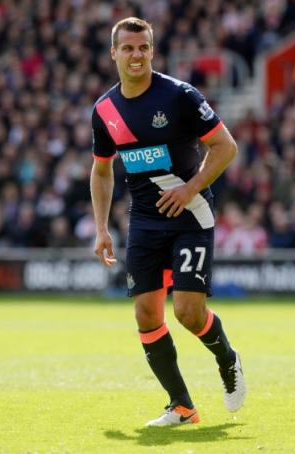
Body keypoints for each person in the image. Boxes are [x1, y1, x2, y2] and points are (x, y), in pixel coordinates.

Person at [90, 17, 246, 427]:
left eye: (142, 48)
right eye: (127, 48)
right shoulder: (104, 110)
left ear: (152, 51)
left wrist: (191, 187)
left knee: (189, 313)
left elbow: (225, 147)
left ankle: (227, 359)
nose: (135, 55)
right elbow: (102, 170)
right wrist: (101, 228)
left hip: (191, 215)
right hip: (143, 220)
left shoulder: (179, 95)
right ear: (114, 53)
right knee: (146, 314)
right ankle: (181, 405)